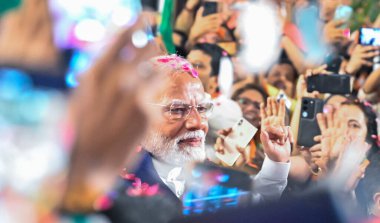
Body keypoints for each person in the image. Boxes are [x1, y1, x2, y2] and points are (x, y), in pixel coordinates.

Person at [102, 54, 292, 223]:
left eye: (202, 109)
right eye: (177, 110)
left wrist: (276, 162)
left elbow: (253, 211)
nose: (197, 123)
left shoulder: (209, 177)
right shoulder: (109, 188)